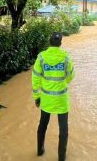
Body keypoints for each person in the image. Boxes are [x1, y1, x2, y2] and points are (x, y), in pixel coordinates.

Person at [32, 32, 75, 161]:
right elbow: (71, 75)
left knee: (43, 124)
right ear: (60, 43)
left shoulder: (41, 57)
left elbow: (35, 78)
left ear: (49, 42)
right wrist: (62, 83)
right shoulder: (66, 57)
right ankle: (61, 157)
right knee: (63, 128)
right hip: (61, 99)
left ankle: (39, 150)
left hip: (46, 98)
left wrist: (37, 96)